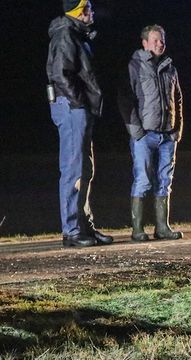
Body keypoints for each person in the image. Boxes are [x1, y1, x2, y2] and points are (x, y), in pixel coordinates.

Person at [47, 0, 112, 248]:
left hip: (78, 108)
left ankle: (85, 227)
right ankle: (72, 230)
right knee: (73, 169)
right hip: (72, 107)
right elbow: (61, 73)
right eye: (89, 8)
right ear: (81, 12)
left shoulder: (76, 34)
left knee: (85, 168)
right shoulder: (66, 34)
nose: (92, 12)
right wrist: (79, 104)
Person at [120, 24, 183, 242]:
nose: (160, 43)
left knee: (164, 180)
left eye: (162, 39)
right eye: (155, 39)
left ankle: (162, 227)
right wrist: (137, 131)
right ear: (145, 43)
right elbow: (125, 99)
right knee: (143, 180)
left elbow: (178, 99)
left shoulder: (170, 67)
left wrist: (177, 129)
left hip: (167, 135)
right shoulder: (135, 66)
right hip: (145, 134)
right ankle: (137, 229)